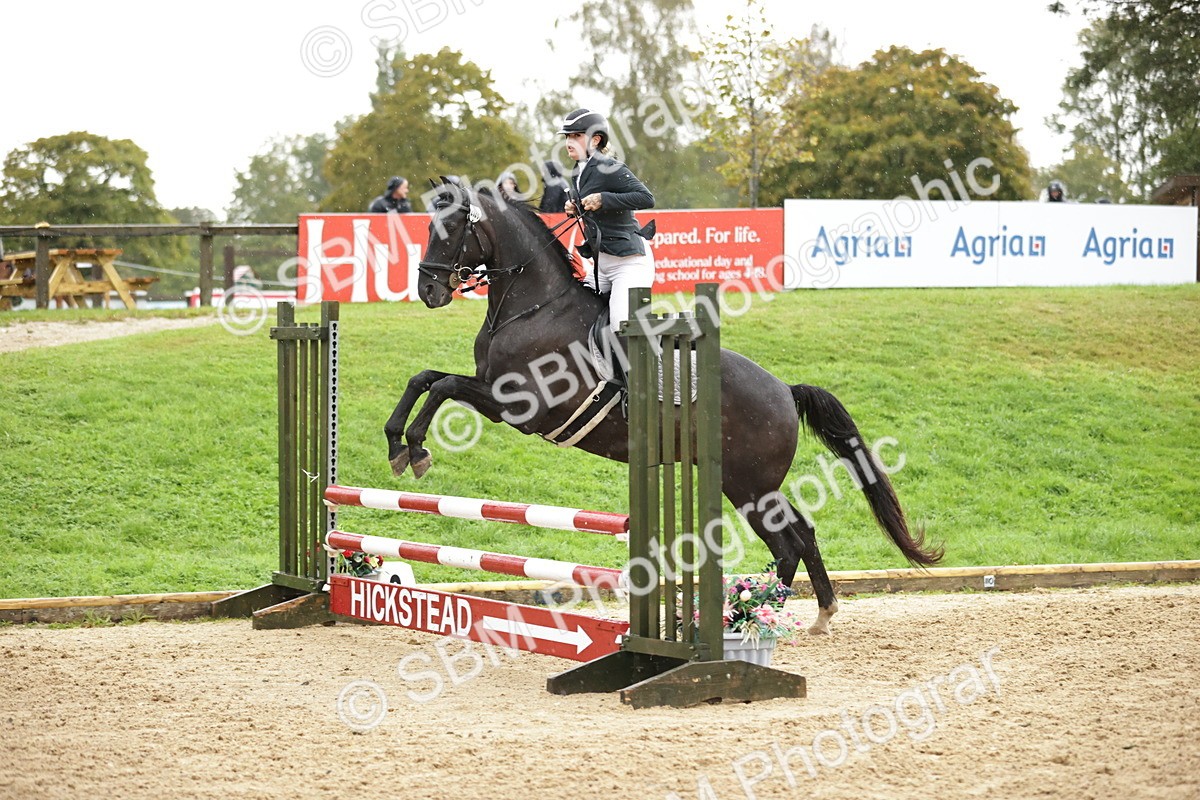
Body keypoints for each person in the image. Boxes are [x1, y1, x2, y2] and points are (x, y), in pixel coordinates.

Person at [558, 107, 655, 335]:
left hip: (629, 262)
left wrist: (604, 199)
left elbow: (647, 198)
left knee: (621, 326)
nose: (569, 142)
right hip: (602, 262)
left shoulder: (610, 166)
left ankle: (650, 368)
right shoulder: (578, 171)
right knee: (576, 312)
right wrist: (577, 208)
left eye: (576, 136)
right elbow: (593, 206)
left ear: (596, 140)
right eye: (567, 137)